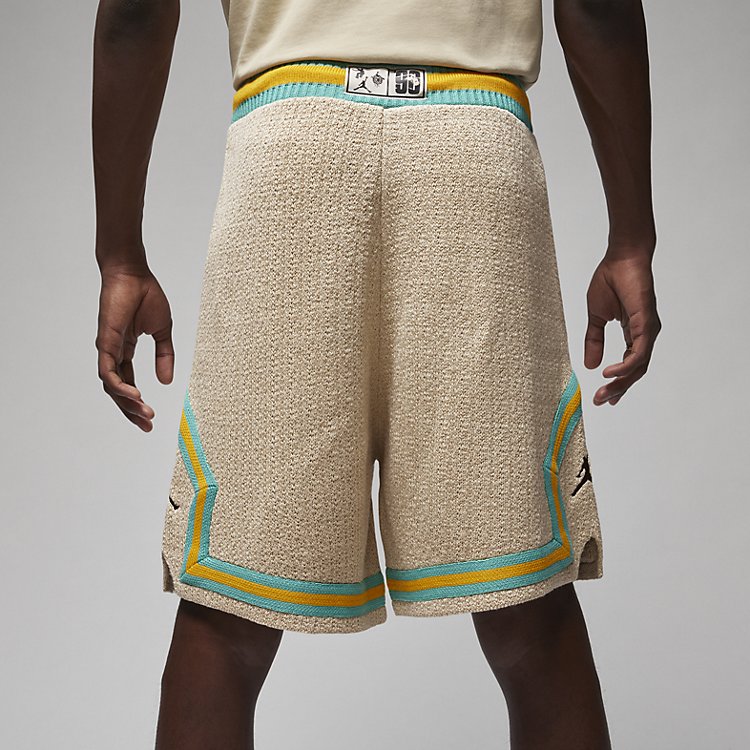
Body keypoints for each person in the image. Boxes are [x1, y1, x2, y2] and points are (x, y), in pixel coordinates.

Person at [92, 1, 660, 748]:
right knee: (529, 605)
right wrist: (631, 237)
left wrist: (120, 256)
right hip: (473, 156)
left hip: (293, 155)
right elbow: (599, 7)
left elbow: (134, 12)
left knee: (229, 609)